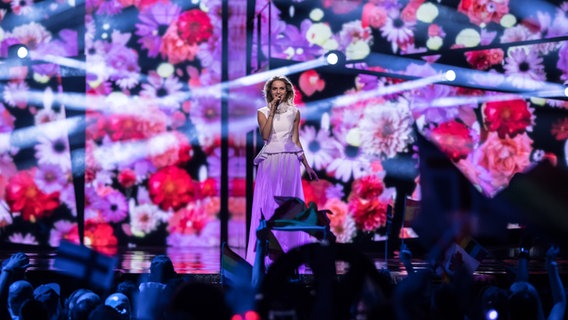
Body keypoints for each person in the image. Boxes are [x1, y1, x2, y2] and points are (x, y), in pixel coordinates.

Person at [245, 75, 318, 266]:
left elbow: (295, 140)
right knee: (269, 204)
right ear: (270, 91)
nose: (278, 92)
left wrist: (306, 165)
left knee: (288, 206)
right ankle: (267, 255)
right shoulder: (262, 112)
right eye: (275, 89)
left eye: (282, 89)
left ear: (287, 91)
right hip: (270, 161)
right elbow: (265, 135)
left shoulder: (295, 112)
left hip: (290, 162)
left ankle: (289, 255)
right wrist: (272, 111)